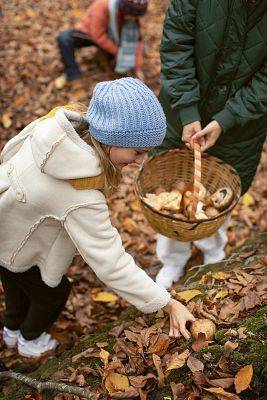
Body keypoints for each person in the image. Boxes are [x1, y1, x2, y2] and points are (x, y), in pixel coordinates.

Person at [0, 78, 195, 358]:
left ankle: (11, 330)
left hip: (6, 223)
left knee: (15, 283)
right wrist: (167, 303)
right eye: (138, 151)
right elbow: (111, 262)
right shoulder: (80, 194)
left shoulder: (56, 125)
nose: (141, 161)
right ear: (111, 140)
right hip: (15, 243)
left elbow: (10, 150)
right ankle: (30, 341)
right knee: (52, 294)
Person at [154, 0, 267, 289]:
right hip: (181, 109)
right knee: (172, 187)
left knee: (219, 193)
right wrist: (188, 110)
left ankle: (213, 249)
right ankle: (173, 257)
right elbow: (176, 43)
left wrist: (227, 119)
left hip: (240, 125)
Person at [57, 0, 147, 81]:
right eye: (131, 15)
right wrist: (119, 52)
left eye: (136, 17)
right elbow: (97, 35)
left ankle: (107, 61)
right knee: (64, 38)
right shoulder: (101, 5)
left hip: (110, 36)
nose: (133, 19)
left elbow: (137, 41)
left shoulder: (132, 20)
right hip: (88, 32)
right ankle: (73, 73)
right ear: (123, 9)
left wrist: (138, 67)